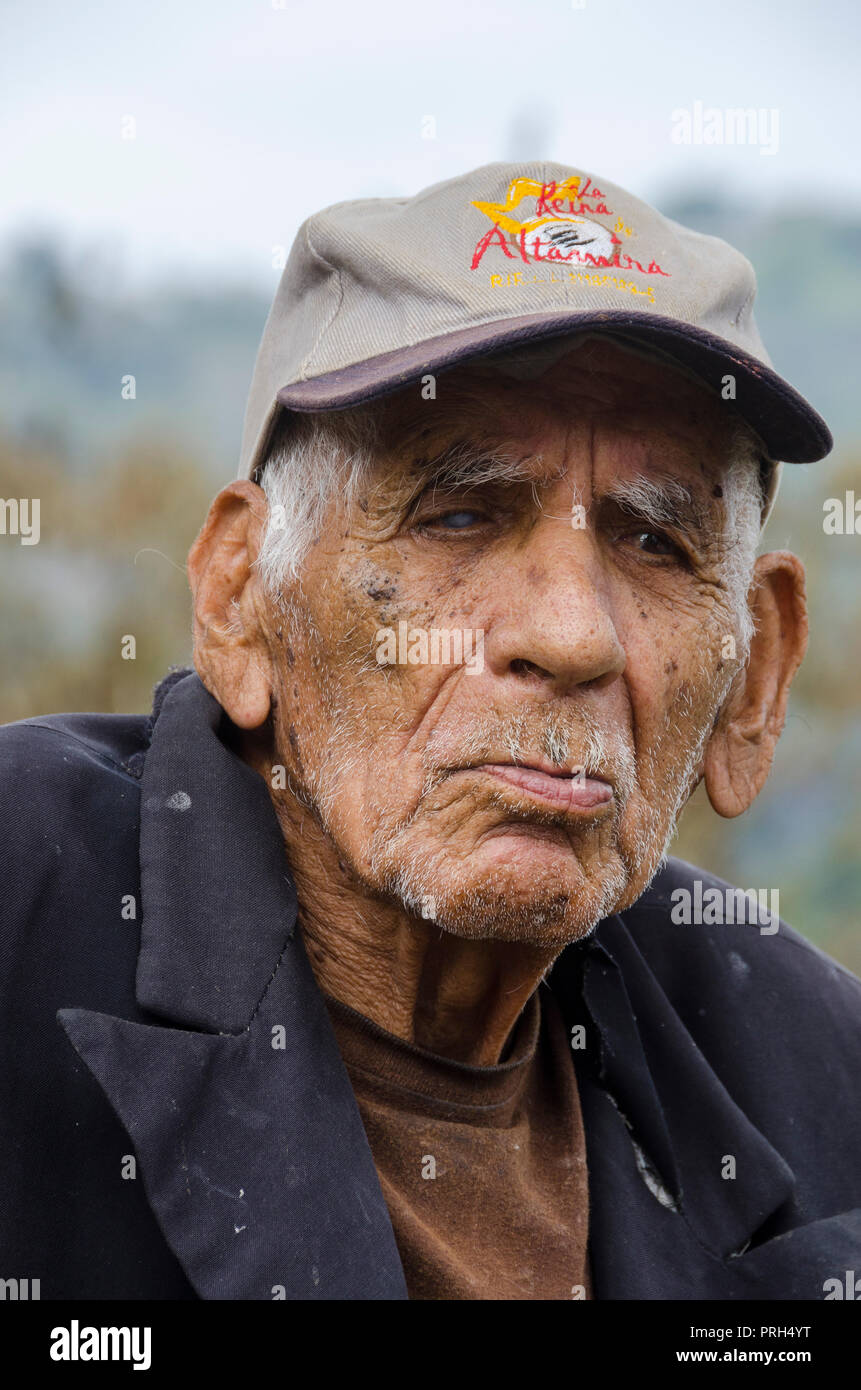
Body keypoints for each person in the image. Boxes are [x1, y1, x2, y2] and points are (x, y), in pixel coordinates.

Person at [2, 162, 859, 1301]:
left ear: (754, 676)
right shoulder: (22, 900)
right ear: (238, 600)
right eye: (457, 513)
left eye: (656, 544)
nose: (571, 636)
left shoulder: (815, 1063)